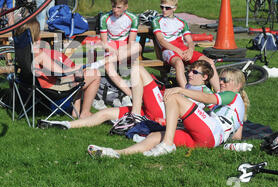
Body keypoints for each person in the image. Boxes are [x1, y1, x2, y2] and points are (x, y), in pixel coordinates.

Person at [87, 67, 249, 158]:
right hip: (207, 141)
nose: (220, 82)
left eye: (225, 80)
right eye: (220, 78)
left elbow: (207, 98)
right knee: (155, 136)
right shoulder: (236, 107)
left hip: (210, 133)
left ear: (237, 85)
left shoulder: (233, 95)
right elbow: (237, 137)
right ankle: (116, 153)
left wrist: (179, 88)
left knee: (174, 97)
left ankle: (167, 145)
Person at [37, 60, 214, 131]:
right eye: (190, 71)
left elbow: (209, 111)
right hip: (153, 108)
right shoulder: (188, 85)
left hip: (163, 110)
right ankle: (63, 124)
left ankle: (134, 115)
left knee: (137, 68)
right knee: (105, 113)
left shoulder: (205, 93)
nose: (190, 74)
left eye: (195, 73)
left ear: (205, 78)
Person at [15, 18, 101, 119]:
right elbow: (60, 72)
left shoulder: (22, 50)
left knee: (79, 75)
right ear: (36, 34)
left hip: (30, 84)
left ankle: (76, 111)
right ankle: (85, 113)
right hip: (52, 88)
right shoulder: (38, 52)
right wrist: (79, 67)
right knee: (95, 74)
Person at [151, 0, 220, 91]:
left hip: (183, 49)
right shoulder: (156, 21)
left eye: (167, 8)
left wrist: (190, 50)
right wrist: (178, 51)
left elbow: (190, 41)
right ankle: (187, 94)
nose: (163, 10)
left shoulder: (181, 22)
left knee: (209, 62)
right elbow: (162, 41)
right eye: (162, 7)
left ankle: (219, 94)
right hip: (168, 50)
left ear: (174, 8)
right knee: (179, 63)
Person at [99, 0, 140, 98]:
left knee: (138, 48)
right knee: (108, 67)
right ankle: (130, 94)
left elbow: (131, 42)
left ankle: (138, 89)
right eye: (113, 7)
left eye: (119, 7)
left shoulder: (133, 18)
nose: (115, 10)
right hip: (111, 47)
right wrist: (115, 52)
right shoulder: (104, 18)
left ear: (126, 7)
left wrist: (122, 52)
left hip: (125, 47)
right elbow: (104, 43)